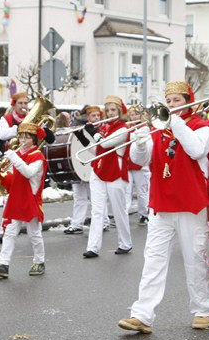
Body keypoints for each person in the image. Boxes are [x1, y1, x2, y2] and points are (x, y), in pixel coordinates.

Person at [118, 81, 209, 333]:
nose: (172, 105)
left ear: (189, 100)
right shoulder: (158, 129)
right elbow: (138, 160)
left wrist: (174, 121)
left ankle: (202, 310)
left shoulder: (201, 127)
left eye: (177, 100)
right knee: (153, 260)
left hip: (191, 204)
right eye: (169, 101)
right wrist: (141, 142)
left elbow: (197, 150)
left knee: (194, 258)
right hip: (162, 204)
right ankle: (142, 314)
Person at [0, 122, 47, 278]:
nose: (22, 141)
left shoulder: (38, 157)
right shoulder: (18, 153)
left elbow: (28, 173)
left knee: (34, 234)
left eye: (27, 138)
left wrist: (14, 158)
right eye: (21, 137)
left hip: (30, 198)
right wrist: (3, 174)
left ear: (34, 140)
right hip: (16, 197)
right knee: (9, 232)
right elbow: (15, 177)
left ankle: (39, 261)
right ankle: (3, 264)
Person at [83, 96, 133, 258]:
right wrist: (84, 140)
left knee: (119, 210)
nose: (110, 113)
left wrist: (94, 134)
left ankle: (125, 243)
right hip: (98, 170)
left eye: (113, 110)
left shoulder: (124, 128)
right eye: (108, 110)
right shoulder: (103, 128)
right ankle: (93, 247)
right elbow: (97, 151)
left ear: (119, 111)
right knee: (97, 211)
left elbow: (105, 144)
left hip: (116, 171)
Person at [65, 105, 102, 235]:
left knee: (95, 198)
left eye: (98, 115)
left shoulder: (101, 130)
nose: (96, 118)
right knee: (79, 197)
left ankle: (104, 221)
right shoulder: (79, 128)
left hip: (94, 167)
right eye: (93, 116)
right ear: (87, 117)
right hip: (79, 166)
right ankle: (76, 224)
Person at [125, 105, 151, 224]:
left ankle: (144, 214)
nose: (134, 116)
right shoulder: (127, 128)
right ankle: (124, 213)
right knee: (126, 191)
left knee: (142, 191)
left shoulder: (145, 128)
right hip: (127, 163)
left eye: (136, 114)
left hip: (140, 166)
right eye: (132, 114)